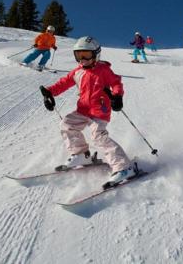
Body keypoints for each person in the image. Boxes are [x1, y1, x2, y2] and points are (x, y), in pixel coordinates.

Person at [39, 36, 136, 185]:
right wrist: (49, 92)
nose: (82, 59)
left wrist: (117, 96)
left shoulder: (103, 70)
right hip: (83, 109)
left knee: (98, 136)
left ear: (96, 54)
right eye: (79, 55)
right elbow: (63, 83)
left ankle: (124, 167)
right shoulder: (77, 71)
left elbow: (116, 82)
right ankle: (81, 154)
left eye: (86, 55)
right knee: (66, 124)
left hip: (100, 110)